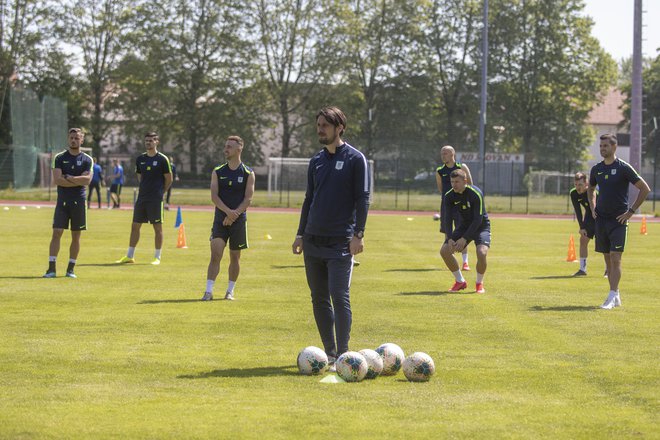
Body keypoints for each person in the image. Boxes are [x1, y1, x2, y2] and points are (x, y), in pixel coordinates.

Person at [292, 107, 370, 371]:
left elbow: (362, 199)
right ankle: (331, 355)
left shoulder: (355, 159)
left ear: (339, 128)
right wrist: (300, 234)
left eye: (325, 125)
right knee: (319, 299)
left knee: (340, 296)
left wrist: (358, 233)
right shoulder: (315, 161)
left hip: (341, 242)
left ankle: (345, 355)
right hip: (313, 240)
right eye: (318, 125)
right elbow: (308, 200)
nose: (320, 129)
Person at [587, 133, 650, 309]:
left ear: (614, 147)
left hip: (619, 220)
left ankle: (611, 295)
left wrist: (630, 212)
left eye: (605, 146)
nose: (602, 149)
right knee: (607, 260)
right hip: (601, 220)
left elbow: (644, 189)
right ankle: (615, 294)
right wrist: (592, 208)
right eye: (600, 146)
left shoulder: (624, 168)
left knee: (616, 257)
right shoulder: (596, 169)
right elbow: (590, 188)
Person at [202, 136, 255, 301]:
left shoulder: (248, 173)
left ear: (239, 149)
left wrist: (234, 215)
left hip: (238, 221)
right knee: (216, 254)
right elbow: (214, 196)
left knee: (234, 256)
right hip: (220, 219)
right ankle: (208, 291)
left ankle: (230, 291)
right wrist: (227, 213)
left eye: (229, 147)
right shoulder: (218, 171)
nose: (226, 149)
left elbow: (248, 199)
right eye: (225, 146)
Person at [115, 132, 172, 265]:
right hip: (142, 198)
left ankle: (157, 257)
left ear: (157, 142)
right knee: (135, 226)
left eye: (151, 140)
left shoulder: (163, 159)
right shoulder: (140, 159)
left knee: (157, 228)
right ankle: (130, 256)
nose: (148, 143)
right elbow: (140, 177)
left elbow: (169, 179)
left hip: (155, 199)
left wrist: (160, 192)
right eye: (146, 141)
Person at [44, 128, 94, 278]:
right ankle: (51, 269)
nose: (74, 140)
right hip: (63, 202)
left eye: (76, 138)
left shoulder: (87, 159)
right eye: (71, 138)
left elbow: (88, 181)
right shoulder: (59, 158)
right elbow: (57, 180)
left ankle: (70, 269)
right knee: (57, 232)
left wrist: (69, 178)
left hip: (79, 202)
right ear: (68, 139)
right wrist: (77, 180)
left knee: (76, 236)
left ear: (82, 140)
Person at [440, 169, 491, 294]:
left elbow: (478, 219)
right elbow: (447, 219)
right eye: (452, 182)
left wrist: (464, 238)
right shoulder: (449, 195)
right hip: (464, 226)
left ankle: (479, 283)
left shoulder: (475, 193)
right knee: (444, 251)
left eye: (457, 181)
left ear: (465, 181)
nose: (454, 184)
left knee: (482, 252)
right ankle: (460, 281)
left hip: (480, 226)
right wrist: (450, 238)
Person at [436, 145, 473, 271]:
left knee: (461, 231)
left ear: (452, 154)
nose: (443, 155)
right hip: (447, 206)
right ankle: (451, 259)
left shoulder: (461, 167)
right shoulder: (440, 171)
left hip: (461, 206)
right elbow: (441, 189)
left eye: (445, 153)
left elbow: (470, 185)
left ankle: (465, 262)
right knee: (448, 232)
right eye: (442, 153)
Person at [570, 172, 596, 276]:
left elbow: (594, 206)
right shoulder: (573, 193)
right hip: (589, 216)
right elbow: (578, 211)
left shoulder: (591, 191)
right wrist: (582, 227)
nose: (577, 188)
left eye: (580, 185)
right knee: (583, 240)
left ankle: (608, 270)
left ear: (586, 183)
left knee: (604, 243)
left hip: (601, 215)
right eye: (576, 185)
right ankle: (582, 269)